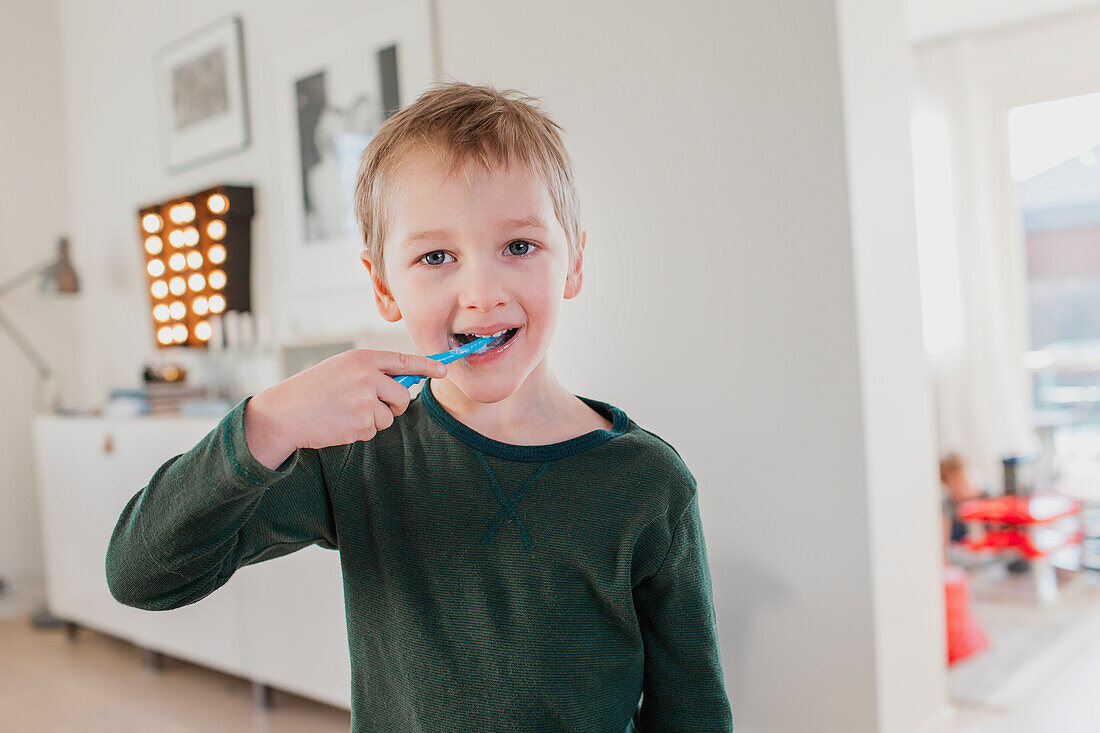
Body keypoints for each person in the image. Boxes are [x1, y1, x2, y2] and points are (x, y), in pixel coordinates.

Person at [106, 82, 732, 732]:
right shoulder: (358, 453)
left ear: (573, 261)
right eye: (436, 256)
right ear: (384, 287)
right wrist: (272, 419)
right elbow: (142, 573)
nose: (482, 293)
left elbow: (692, 710)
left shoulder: (650, 485)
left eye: (519, 247)